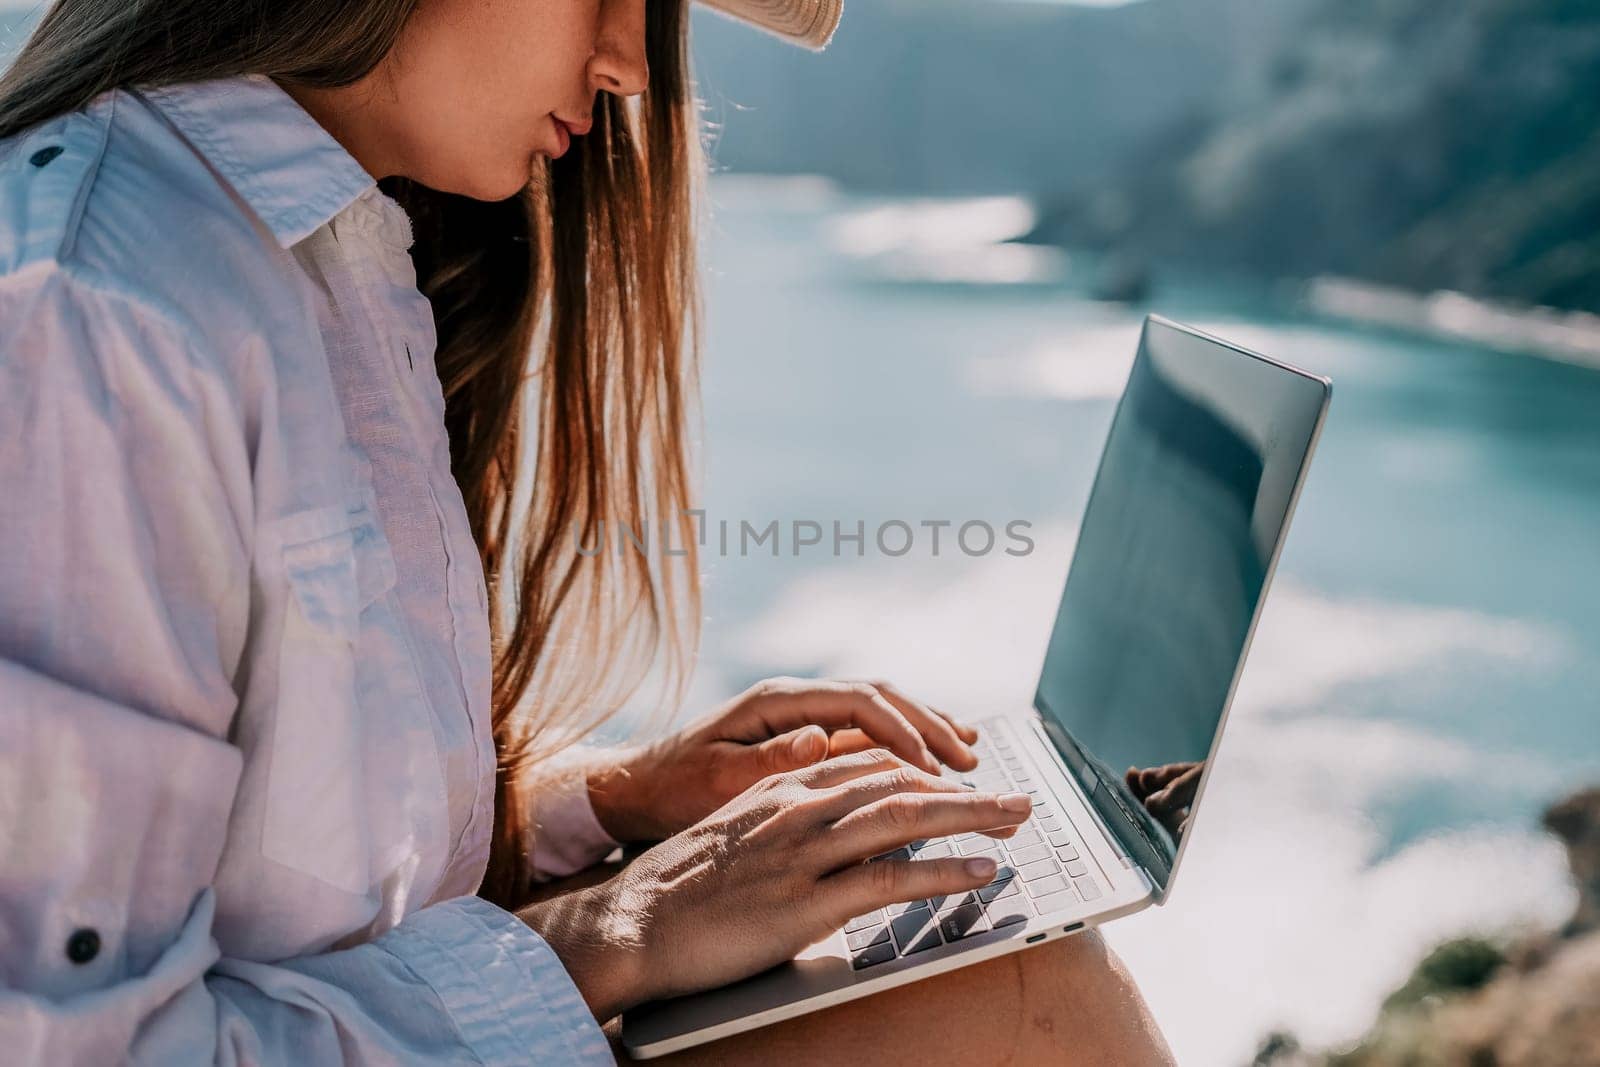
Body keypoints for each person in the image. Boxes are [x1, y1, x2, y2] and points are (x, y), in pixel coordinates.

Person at [0, 0, 1177, 1062]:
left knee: (1003, 963)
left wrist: (606, 799)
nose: (629, 64)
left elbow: (287, 854)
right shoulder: (92, 314)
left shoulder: (338, 257)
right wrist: (614, 930)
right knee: (1028, 994)